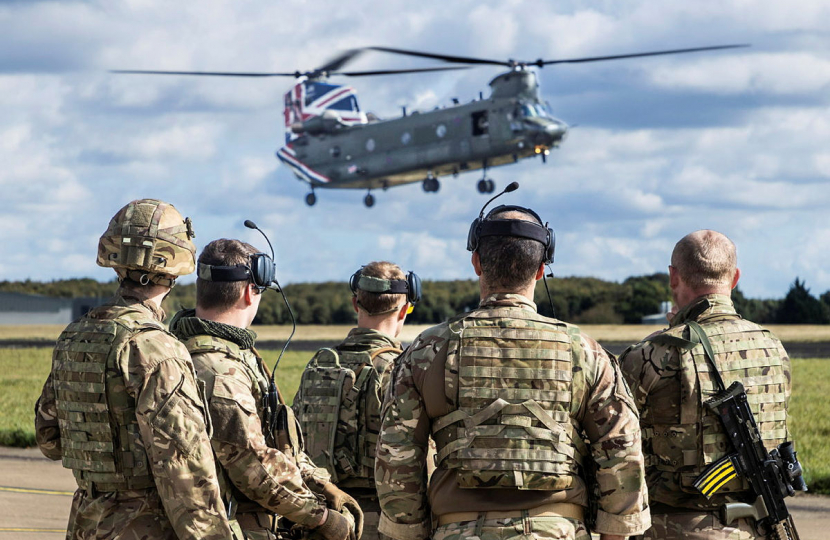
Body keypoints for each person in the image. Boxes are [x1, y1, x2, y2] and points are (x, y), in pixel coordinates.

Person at [374, 200, 650, 540]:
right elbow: (622, 453)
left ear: (476, 262)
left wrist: (410, 532)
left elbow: (397, 456)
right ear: (540, 269)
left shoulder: (425, 351)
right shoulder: (586, 352)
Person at [34, 199, 232, 540]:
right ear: (174, 266)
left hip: (87, 521)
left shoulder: (76, 335)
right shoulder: (156, 348)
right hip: (145, 526)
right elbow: (185, 468)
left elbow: (49, 440)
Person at [169, 238, 362, 540]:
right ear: (249, 292)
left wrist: (320, 483)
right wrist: (320, 517)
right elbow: (252, 466)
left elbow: (276, 442)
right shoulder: (218, 368)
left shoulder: (214, 351)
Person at [618, 230, 791, 540]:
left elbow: (613, 442)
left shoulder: (654, 352)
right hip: (761, 526)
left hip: (675, 528)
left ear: (674, 277)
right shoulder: (773, 347)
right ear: (735, 277)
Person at [293, 262, 420, 540]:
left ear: (355, 303)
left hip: (321, 518)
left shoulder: (320, 365)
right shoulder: (400, 369)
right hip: (378, 520)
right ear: (404, 309)